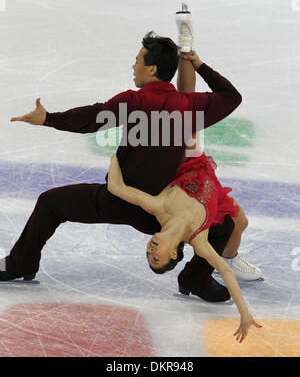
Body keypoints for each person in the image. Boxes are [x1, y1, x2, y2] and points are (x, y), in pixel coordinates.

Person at [1, 32, 241, 303]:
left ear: (151, 69)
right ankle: (194, 278)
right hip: (160, 212)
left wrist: (48, 119)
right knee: (225, 225)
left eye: (137, 61)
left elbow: (93, 117)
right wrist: (199, 64)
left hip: (119, 200)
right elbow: (231, 96)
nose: (133, 66)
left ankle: (21, 264)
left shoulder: (135, 101)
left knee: (50, 203)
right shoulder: (189, 107)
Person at [106, 152, 262, 343]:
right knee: (241, 223)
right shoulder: (200, 242)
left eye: (147, 254)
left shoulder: (158, 206)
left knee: (241, 224)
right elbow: (227, 273)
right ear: (173, 253)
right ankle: (228, 257)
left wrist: (119, 152)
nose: (150, 251)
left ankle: (229, 255)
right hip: (213, 192)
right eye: (155, 258)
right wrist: (245, 314)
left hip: (189, 161)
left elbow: (115, 187)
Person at [177, 52, 262, 281]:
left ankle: (226, 258)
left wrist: (189, 54)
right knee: (235, 223)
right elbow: (187, 91)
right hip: (188, 180)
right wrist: (194, 60)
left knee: (239, 222)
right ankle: (220, 261)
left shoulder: (183, 114)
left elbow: (186, 92)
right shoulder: (178, 119)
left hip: (196, 170)